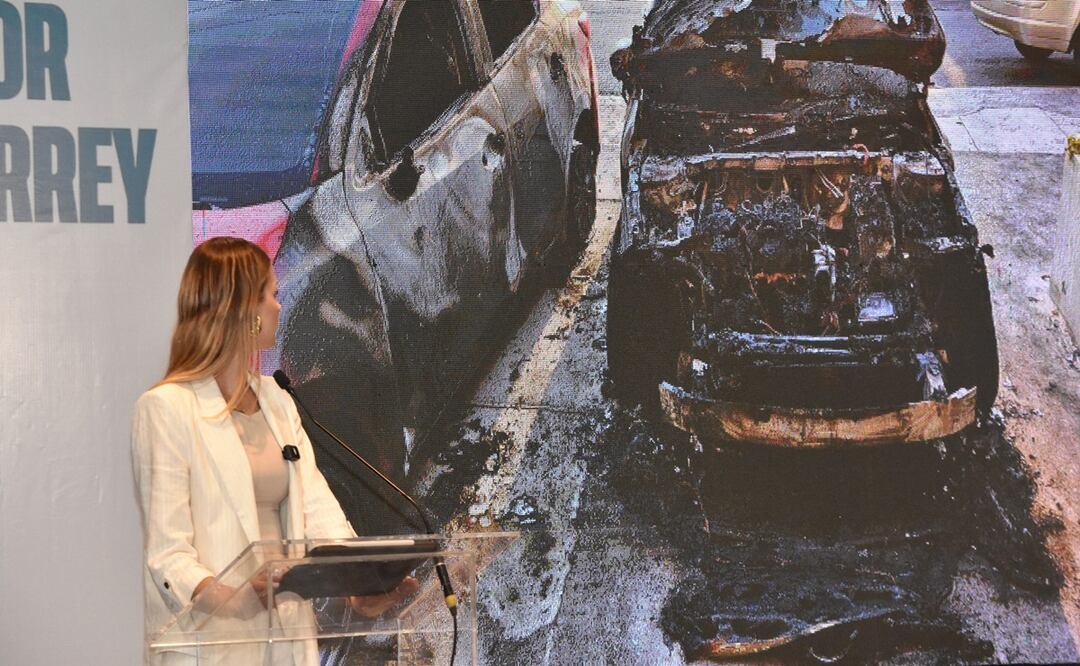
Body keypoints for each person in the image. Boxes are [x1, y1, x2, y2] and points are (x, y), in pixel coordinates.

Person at [132, 237, 415, 665]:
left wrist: (359, 582)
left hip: (285, 641)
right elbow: (167, 555)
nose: (278, 307)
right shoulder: (166, 408)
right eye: (269, 294)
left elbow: (317, 508)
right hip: (211, 645)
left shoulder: (278, 399)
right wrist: (236, 599)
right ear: (239, 308)